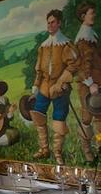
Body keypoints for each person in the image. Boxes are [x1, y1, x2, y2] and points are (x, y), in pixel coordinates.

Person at [30, 9, 78, 164]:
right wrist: (36, 86)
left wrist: (62, 82)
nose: (50, 25)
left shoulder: (65, 44)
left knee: (59, 119)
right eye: (48, 22)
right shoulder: (43, 47)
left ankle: (57, 152)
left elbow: (72, 66)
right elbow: (39, 70)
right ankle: (44, 149)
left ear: (59, 23)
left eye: (53, 22)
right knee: (38, 114)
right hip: (44, 87)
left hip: (60, 89)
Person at [75, 1, 100, 161]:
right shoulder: (84, 38)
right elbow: (84, 64)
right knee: (87, 117)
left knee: (99, 117)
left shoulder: (91, 34)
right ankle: (87, 151)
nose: (94, 15)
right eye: (91, 13)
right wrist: (90, 83)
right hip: (88, 84)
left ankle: (99, 147)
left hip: (97, 81)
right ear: (83, 17)